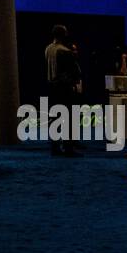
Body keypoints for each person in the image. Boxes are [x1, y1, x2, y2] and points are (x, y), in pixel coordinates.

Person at [44, 24, 82, 156]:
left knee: (54, 117)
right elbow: (72, 72)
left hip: (51, 87)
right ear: (63, 34)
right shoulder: (64, 51)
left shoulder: (48, 49)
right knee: (68, 118)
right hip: (63, 88)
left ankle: (54, 146)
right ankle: (68, 147)